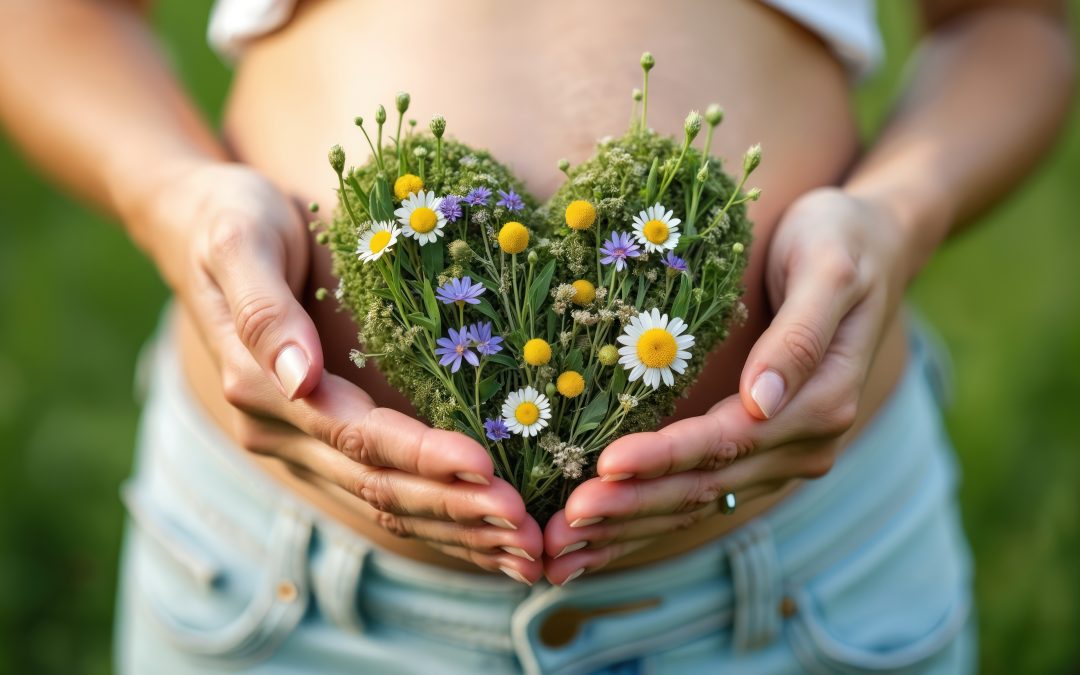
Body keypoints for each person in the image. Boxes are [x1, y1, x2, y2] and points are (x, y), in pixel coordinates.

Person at [0, 0, 1073, 672]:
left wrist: (893, 219)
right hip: (285, 596)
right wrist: (176, 200)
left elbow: (1009, 23)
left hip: (796, 589)